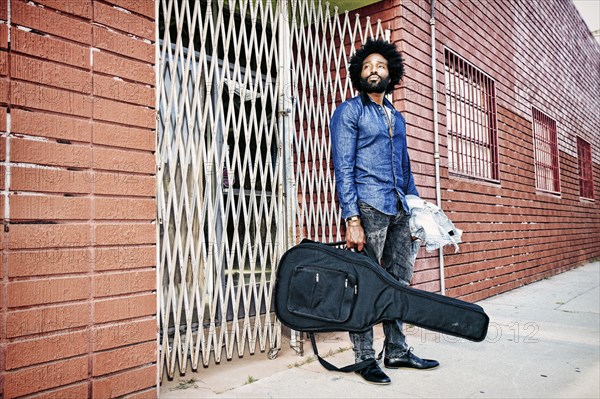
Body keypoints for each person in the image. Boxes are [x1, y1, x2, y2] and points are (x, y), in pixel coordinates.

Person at [330, 38, 439, 385]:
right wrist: (352, 219)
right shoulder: (349, 112)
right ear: (358, 75)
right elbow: (342, 168)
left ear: (391, 73)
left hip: (399, 210)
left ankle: (396, 349)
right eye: (366, 66)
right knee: (365, 284)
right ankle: (364, 357)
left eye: (380, 66)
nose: (373, 70)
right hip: (367, 208)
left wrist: (417, 211)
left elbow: (405, 168)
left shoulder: (397, 116)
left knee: (398, 282)